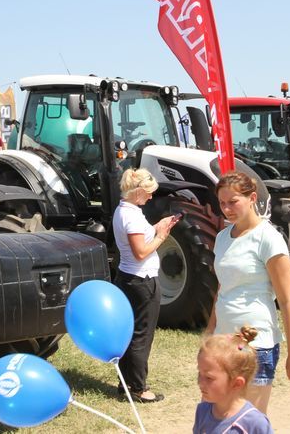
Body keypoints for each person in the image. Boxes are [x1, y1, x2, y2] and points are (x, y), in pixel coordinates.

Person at [205, 171, 290, 413]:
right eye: (222, 203)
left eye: (233, 202)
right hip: (223, 344)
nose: (227, 209)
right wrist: (209, 333)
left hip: (256, 347)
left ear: (252, 198)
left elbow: (286, 301)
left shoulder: (268, 238)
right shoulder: (222, 238)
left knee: (248, 421)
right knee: (216, 417)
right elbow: (222, 288)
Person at [113, 168, 179, 403]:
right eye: (149, 193)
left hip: (128, 277)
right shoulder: (131, 216)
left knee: (130, 334)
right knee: (142, 336)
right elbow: (140, 251)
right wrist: (161, 236)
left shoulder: (124, 211)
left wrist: (156, 227)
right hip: (142, 281)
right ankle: (138, 388)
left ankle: (126, 384)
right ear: (139, 191)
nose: (151, 197)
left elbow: (140, 238)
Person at [194, 325, 274, 434]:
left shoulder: (255, 423)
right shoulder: (202, 411)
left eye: (209, 378)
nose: (200, 383)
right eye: (200, 373)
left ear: (237, 384)